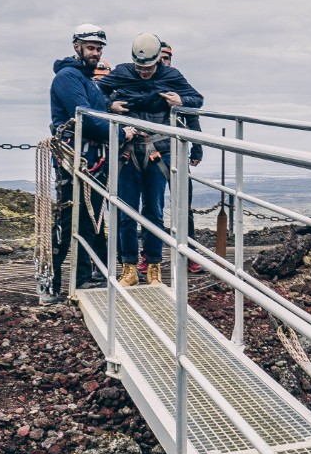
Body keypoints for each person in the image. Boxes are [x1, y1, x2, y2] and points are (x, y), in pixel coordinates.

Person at [98, 32, 204, 286]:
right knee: (126, 212)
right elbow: (94, 94)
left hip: (159, 150)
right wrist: (110, 105)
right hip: (128, 150)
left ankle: (154, 267)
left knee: (154, 211)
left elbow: (196, 100)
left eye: (148, 67)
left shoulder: (171, 76)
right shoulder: (123, 73)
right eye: (139, 67)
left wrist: (182, 101)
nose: (143, 72)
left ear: (158, 60)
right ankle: (129, 268)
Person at [46, 24, 109, 296]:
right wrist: (121, 132)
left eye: (98, 49)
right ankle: (50, 283)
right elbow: (84, 116)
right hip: (74, 161)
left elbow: (96, 112)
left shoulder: (85, 79)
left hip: (90, 160)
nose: (95, 53)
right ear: (77, 47)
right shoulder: (68, 77)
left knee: (88, 220)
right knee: (67, 220)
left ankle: (82, 278)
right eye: (91, 48)